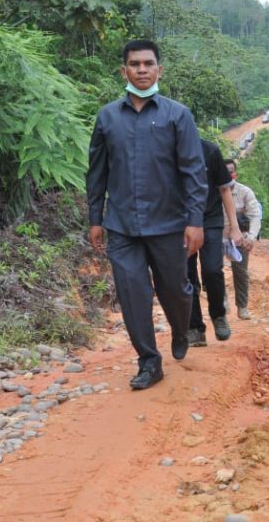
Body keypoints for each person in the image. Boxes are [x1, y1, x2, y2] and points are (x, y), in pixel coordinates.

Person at [86, 39, 207, 391]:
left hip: (169, 223)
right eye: (134, 64)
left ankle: (181, 328)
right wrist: (96, 217)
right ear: (124, 70)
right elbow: (97, 172)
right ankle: (149, 362)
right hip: (122, 225)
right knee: (132, 293)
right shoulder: (107, 117)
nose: (141, 70)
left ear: (159, 70)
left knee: (177, 290)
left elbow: (193, 171)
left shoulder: (177, 115)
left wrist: (195, 221)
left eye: (148, 64)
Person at [187, 139, 244, 346]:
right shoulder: (165, 151)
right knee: (187, 274)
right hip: (181, 222)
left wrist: (234, 226)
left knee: (212, 269)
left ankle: (218, 315)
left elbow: (224, 189)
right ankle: (194, 327)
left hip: (210, 219)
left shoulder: (209, 151)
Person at [223, 159, 261, 320]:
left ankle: (242, 306)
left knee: (240, 272)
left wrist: (251, 236)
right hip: (217, 236)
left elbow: (255, 215)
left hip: (239, 237)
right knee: (212, 271)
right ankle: (221, 301)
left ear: (235, 174)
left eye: (231, 171)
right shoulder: (211, 192)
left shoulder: (245, 192)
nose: (228, 175)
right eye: (224, 172)